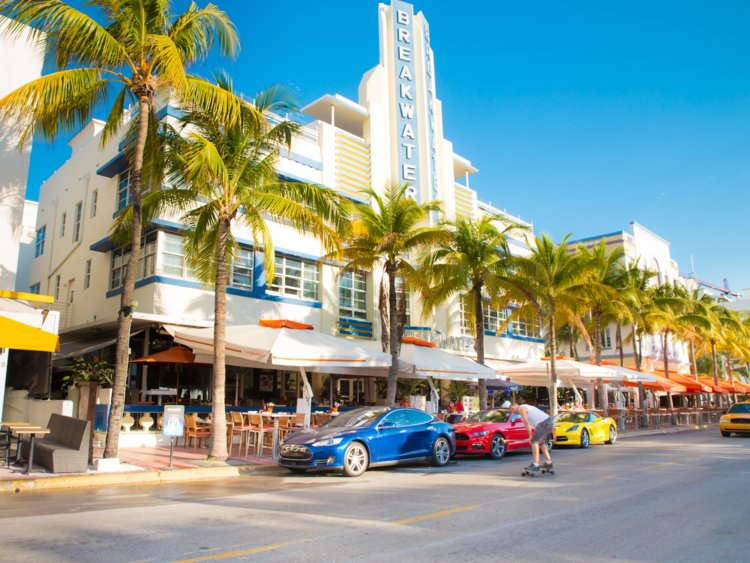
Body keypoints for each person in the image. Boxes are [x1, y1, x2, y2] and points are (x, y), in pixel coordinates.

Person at [510, 401, 554, 473]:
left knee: (534, 442)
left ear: (516, 405)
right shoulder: (526, 407)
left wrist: (530, 436)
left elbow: (526, 422)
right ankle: (549, 462)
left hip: (544, 423)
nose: (513, 411)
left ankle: (535, 464)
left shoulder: (521, 408)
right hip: (549, 422)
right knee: (541, 443)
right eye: (511, 411)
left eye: (512, 409)